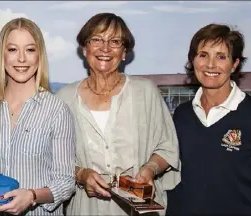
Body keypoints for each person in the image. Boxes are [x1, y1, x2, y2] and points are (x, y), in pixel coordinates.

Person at [55, 12, 181, 215]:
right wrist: (81, 174)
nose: (105, 48)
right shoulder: (64, 98)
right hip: (87, 207)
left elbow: (168, 148)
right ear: (84, 49)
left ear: (124, 52)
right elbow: (54, 160)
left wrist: (150, 168)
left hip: (140, 203)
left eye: (115, 41)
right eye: (96, 39)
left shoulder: (145, 92)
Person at [166, 23, 251, 215]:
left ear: (234, 64)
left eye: (221, 57)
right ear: (193, 60)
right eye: (203, 55)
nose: (211, 65)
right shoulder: (182, 114)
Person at [0, 17, 76, 216]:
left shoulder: (57, 110)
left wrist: (32, 196)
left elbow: (66, 182)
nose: (22, 59)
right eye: (13, 49)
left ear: (39, 55)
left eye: (30, 50)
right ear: (3, 55)